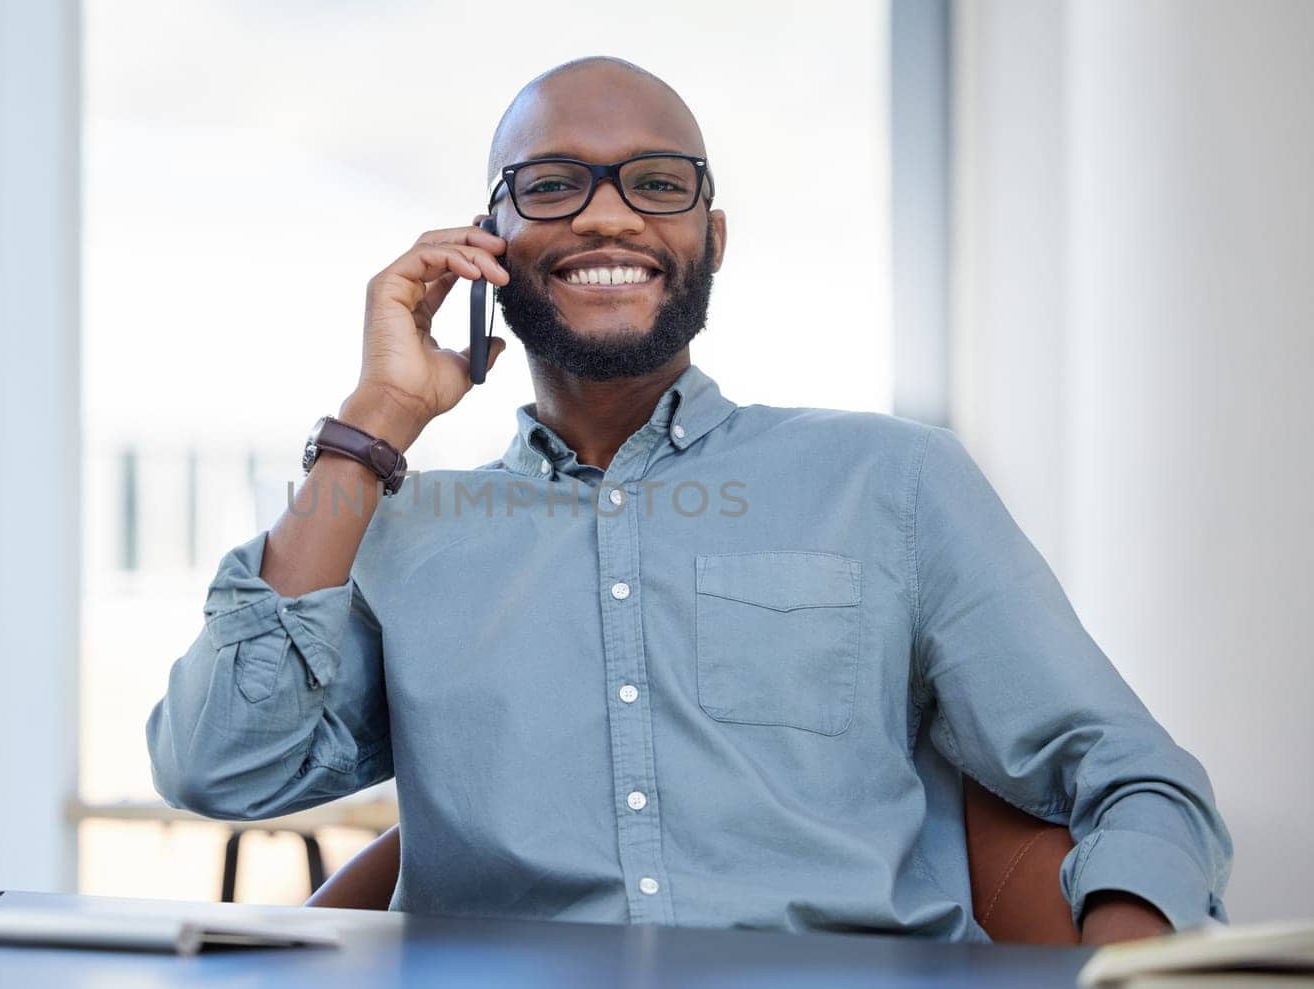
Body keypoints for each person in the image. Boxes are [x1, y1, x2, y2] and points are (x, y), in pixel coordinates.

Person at [147, 56, 1231, 945]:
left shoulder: (893, 480)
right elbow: (219, 764)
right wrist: (373, 421)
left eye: (657, 183)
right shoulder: (402, 527)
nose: (607, 217)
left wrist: (1123, 972)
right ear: (486, 248)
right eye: (552, 183)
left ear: (711, 236)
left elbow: (1133, 777)